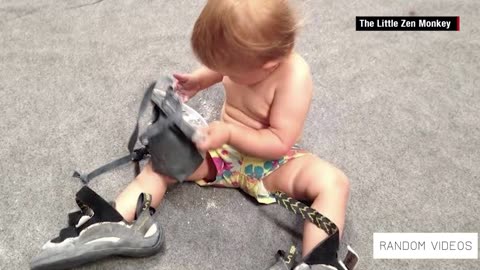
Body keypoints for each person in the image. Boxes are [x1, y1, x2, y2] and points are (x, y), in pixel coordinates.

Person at [31, 0, 350, 269]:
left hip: (273, 165)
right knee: (160, 166)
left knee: (333, 182)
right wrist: (200, 80)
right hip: (222, 154)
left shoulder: (294, 77)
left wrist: (228, 132)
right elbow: (223, 68)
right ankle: (117, 223)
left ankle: (319, 260)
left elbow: (278, 141)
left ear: (269, 64)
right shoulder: (250, 59)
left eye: (229, 69)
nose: (224, 73)